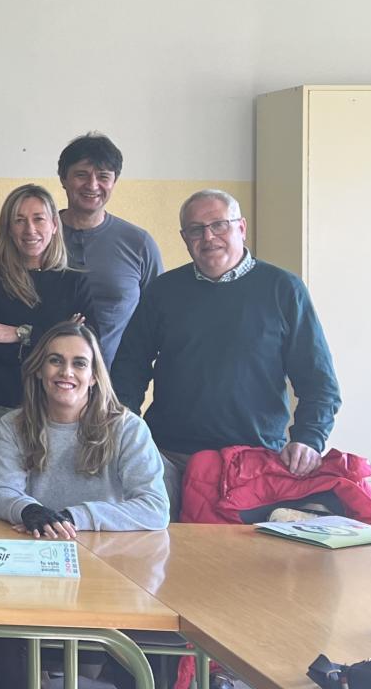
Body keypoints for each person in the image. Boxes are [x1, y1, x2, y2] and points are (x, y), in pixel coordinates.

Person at [112, 189, 342, 517]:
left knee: (245, 564)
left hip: (253, 462)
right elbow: (129, 368)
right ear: (185, 238)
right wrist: (125, 431)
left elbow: (319, 381)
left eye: (219, 225)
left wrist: (309, 437)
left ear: (241, 228)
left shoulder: (284, 290)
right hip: (168, 459)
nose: (208, 237)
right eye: (196, 229)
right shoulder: (163, 292)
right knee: (163, 555)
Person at [0, 323, 167, 689]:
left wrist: (75, 515)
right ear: (40, 370)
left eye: (79, 363)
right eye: (55, 361)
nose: (66, 372)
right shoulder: (13, 424)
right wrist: (30, 510)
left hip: (105, 568)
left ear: (93, 376)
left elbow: (155, 507)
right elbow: (1, 493)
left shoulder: (127, 428)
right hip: (32, 561)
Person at [0, 184, 94, 517]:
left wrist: (17, 333)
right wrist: (54, 334)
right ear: (8, 226)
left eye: (38, 219)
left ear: (53, 224)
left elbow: (86, 347)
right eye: (19, 220)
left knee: (45, 510)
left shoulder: (74, 280)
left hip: (57, 417)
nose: (29, 230)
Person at [56, 133, 162, 365]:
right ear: (63, 178)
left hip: (115, 387)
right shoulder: (38, 235)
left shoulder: (139, 243)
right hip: (43, 384)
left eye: (103, 176)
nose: (92, 185)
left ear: (114, 182)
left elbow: (157, 318)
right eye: (81, 175)